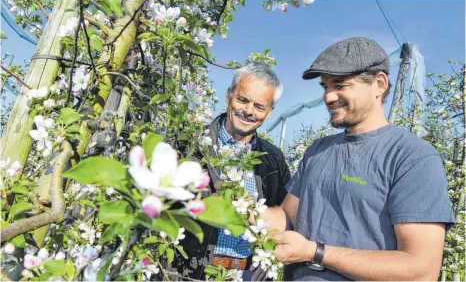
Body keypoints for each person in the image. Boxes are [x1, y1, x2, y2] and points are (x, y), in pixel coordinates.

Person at [254, 37, 456, 281]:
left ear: (379, 84)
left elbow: (421, 270)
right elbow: (287, 217)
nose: (328, 97)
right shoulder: (318, 150)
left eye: (340, 85)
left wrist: (316, 252)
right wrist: (231, 208)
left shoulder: (412, 157)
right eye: (325, 86)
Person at [172, 61, 291, 281]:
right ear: (229, 96)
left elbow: (287, 215)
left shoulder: (273, 159)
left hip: (247, 273)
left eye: (259, 106)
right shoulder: (191, 145)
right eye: (242, 100)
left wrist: (271, 254)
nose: (248, 111)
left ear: (270, 112)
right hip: (193, 270)